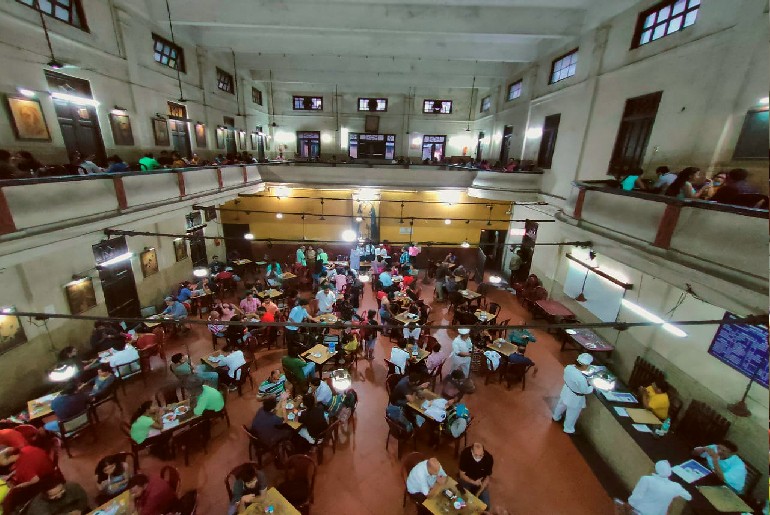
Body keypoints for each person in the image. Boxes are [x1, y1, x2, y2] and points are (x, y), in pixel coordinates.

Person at [622, 460, 692, 515]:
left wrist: (627, 507)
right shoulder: (676, 486)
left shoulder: (646, 479)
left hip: (639, 512)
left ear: (656, 469)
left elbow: (637, 497)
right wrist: (673, 494)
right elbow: (688, 497)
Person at [552, 353, 594, 434]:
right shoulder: (581, 379)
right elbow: (584, 390)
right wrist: (591, 387)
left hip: (566, 390)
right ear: (585, 366)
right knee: (572, 414)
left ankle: (556, 417)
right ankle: (568, 429)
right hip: (575, 397)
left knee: (561, 405)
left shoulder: (569, 367)